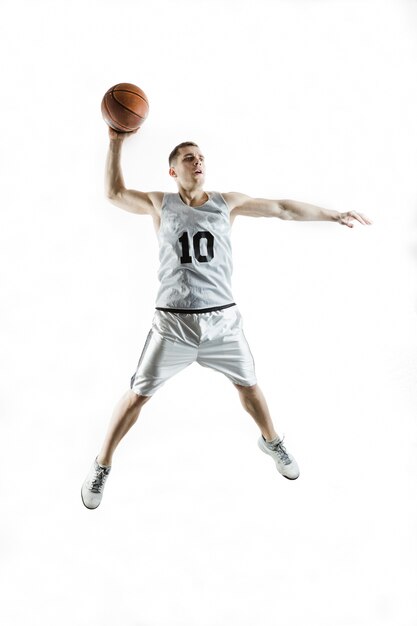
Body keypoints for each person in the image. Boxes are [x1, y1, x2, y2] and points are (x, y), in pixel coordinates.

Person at [81, 130, 371, 509]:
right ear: (173, 171)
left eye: (200, 156)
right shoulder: (160, 203)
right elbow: (114, 193)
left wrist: (333, 214)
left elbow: (282, 208)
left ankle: (271, 442)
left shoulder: (226, 203)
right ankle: (102, 464)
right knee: (138, 395)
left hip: (222, 322)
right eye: (188, 158)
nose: (197, 162)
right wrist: (116, 140)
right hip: (173, 324)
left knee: (249, 387)